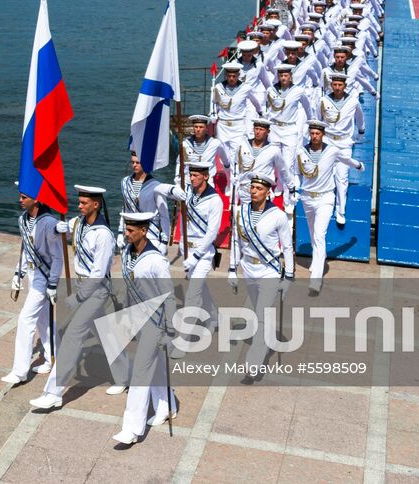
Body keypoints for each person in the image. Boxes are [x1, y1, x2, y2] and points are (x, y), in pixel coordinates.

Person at [31, 185, 119, 410]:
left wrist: (79, 297)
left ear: (96, 205)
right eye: (78, 202)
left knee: (72, 337)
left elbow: (99, 274)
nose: (79, 206)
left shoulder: (104, 235)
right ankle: (125, 374)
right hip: (82, 284)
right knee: (106, 332)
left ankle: (54, 393)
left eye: (83, 203)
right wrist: (50, 223)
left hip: (95, 290)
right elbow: (63, 227)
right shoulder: (78, 223)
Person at [114, 211, 176, 446]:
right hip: (136, 318)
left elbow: (168, 296)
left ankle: (131, 429)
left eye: (131, 231)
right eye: (126, 230)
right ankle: (166, 405)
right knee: (157, 366)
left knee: (140, 373)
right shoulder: (128, 253)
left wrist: (170, 329)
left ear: (144, 231)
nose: (126, 234)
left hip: (155, 322)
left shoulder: (156, 260)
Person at [227, 168, 293, 379]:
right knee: (260, 312)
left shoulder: (278, 216)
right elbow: (235, 242)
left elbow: (288, 247)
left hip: (269, 271)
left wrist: (289, 276)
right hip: (248, 268)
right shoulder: (239, 212)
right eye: (252, 187)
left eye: (258, 188)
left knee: (263, 315)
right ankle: (264, 342)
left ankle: (253, 362)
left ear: (268, 192)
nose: (253, 191)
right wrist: (232, 269)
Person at [290, 120, 364, 294]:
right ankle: (317, 261)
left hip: (325, 198)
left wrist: (359, 166)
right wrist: (295, 190)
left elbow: (346, 159)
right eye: (312, 133)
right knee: (312, 234)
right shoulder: (301, 151)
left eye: (318, 133)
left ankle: (316, 278)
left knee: (319, 235)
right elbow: (296, 173)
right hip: (307, 198)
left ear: (323, 134)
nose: (314, 136)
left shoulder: (331, 150)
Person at [2, 190, 63, 385]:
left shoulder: (49, 223)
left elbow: (58, 256)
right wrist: (18, 273)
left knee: (25, 319)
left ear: (36, 199)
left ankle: (19, 371)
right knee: (43, 320)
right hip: (31, 273)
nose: (20, 200)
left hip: (43, 277)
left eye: (24, 197)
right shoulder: (23, 219)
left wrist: (53, 283)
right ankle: (53, 357)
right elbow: (25, 248)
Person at [167, 162, 224, 330]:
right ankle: (214, 316)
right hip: (187, 249)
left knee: (192, 294)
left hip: (204, 253)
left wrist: (196, 256)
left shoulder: (215, 200)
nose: (191, 178)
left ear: (205, 176)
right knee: (199, 287)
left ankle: (184, 338)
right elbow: (167, 192)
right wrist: (172, 189)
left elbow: (212, 233)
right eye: (190, 175)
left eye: (195, 175)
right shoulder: (188, 192)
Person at [118, 150, 170, 253]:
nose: (134, 165)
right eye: (132, 162)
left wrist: (164, 241)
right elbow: (125, 209)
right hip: (130, 233)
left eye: (138, 162)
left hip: (150, 234)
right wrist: (120, 232)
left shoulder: (156, 186)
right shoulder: (125, 182)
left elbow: (164, 215)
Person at [319, 74, 365, 166]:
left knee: (342, 176)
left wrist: (361, 131)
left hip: (344, 143)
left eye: (340, 85)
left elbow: (360, 117)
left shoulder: (353, 101)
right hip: (327, 140)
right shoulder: (323, 100)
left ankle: (358, 166)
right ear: (331, 85)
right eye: (335, 85)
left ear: (345, 86)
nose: (337, 88)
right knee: (325, 172)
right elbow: (318, 119)